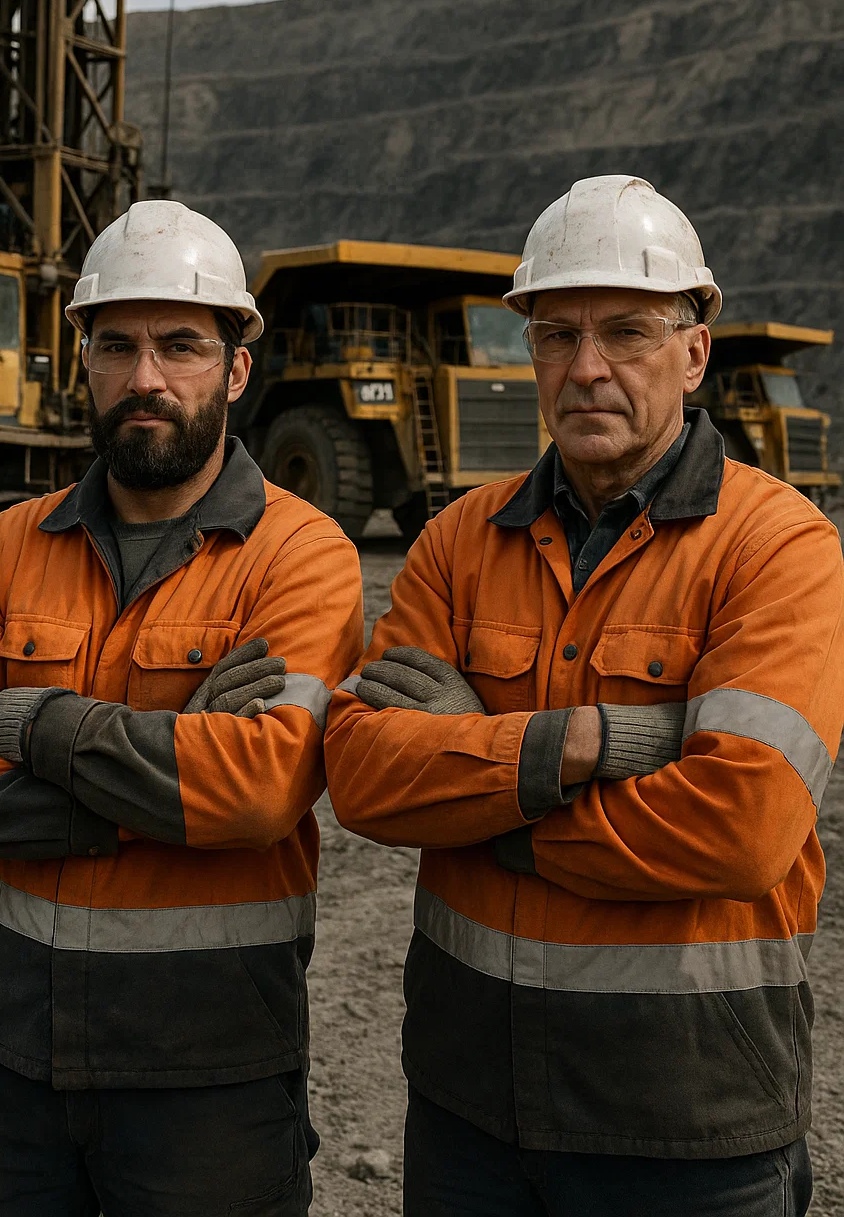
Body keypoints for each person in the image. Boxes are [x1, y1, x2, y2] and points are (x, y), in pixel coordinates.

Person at [324, 174, 844, 1217]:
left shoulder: (778, 547)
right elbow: (362, 779)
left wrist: (479, 795)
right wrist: (582, 745)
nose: (587, 367)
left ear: (695, 351)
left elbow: (740, 828)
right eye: (556, 334)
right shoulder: (457, 544)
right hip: (471, 1107)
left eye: (628, 332)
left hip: (688, 1118)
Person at [0, 200, 364, 1216]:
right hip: (3, 1061)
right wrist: (163, 774)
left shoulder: (301, 555)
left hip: (208, 1070)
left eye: (181, 346)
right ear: (84, 365)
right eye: (118, 346)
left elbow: (254, 793)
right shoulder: (2, 548)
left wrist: (31, 724)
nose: (146, 377)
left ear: (235, 370)